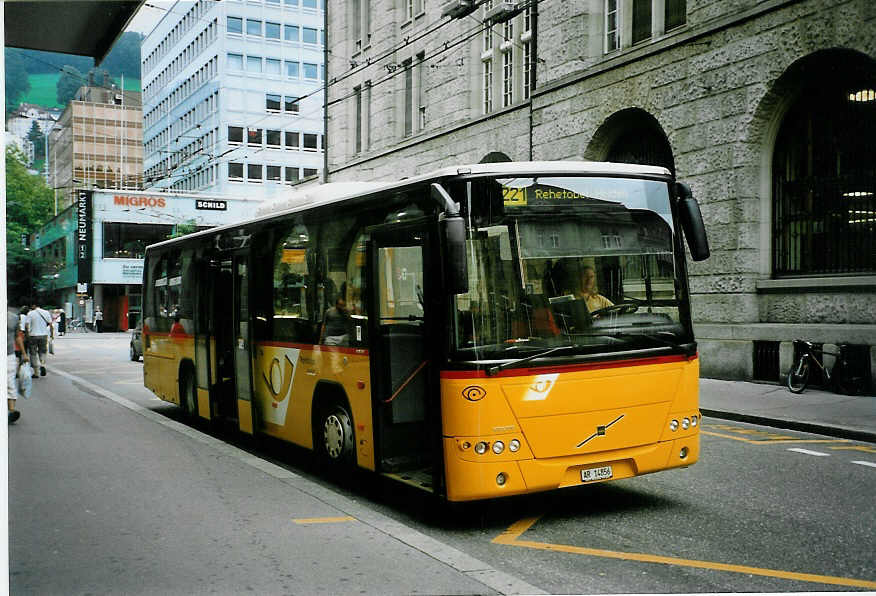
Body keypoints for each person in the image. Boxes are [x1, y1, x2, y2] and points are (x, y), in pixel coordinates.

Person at [8, 306, 27, 423]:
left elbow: (17, 337)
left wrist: (24, 353)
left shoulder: (13, 318)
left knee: (9, 382)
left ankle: (11, 411)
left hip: (8, 355)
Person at [25, 301, 53, 378]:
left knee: (33, 353)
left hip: (33, 336)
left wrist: (27, 335)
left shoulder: (30, 313)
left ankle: (36, 373)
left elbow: (27, 325)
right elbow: (51, 325)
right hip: (43, 335)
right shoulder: (46, 312)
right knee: (43, 351)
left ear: (34, 305)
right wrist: (52, 335)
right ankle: (42, 364)